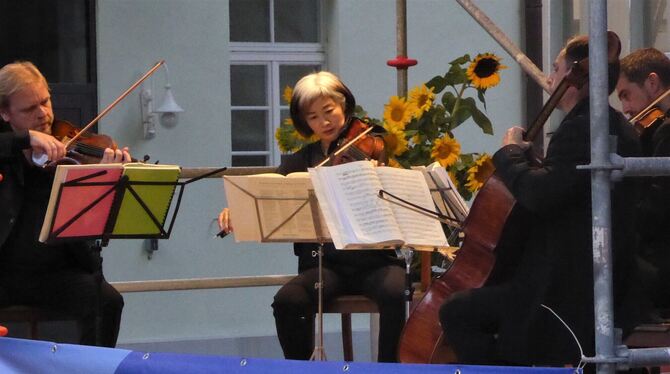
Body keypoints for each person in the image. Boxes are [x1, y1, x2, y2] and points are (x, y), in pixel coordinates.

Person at [438, 35, 645, 368]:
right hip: (591, 278)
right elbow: (565, 184)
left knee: (456, 311)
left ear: (574, 76)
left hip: (565, 290)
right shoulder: (612, 124)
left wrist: (508, 155)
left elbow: (541, 195)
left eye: (555, 68)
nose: (550, 79)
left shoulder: (583, 128)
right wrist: (536, 164)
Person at [218, 71, 405, 362]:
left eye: (329, 111)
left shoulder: (369, 145)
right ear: (305, 121)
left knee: (395, 292)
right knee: (287, 301)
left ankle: (388, 370)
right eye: (313, 116)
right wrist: (236, 210)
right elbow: (269, 192)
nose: (324, 122)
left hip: (374, 262)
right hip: (325, 265)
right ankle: (301, 369)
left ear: (343, 106)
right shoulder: (299, 161)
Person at [0, 61, 127, 347]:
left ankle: (94, 368)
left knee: (107, 301)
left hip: (55, 273)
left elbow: (98, 221)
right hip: (5, 271)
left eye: (45, 101)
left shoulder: (74, 150)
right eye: (29, 109)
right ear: (5, 113)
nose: (43, 114)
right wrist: (24, 139)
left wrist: (109, 175)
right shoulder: (6, 148)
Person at [616, 48, 670, 312]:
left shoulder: (667, 132)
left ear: (652, 82)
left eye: (626, 96)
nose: (626, 109)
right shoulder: (657, 131)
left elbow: (654, 212)